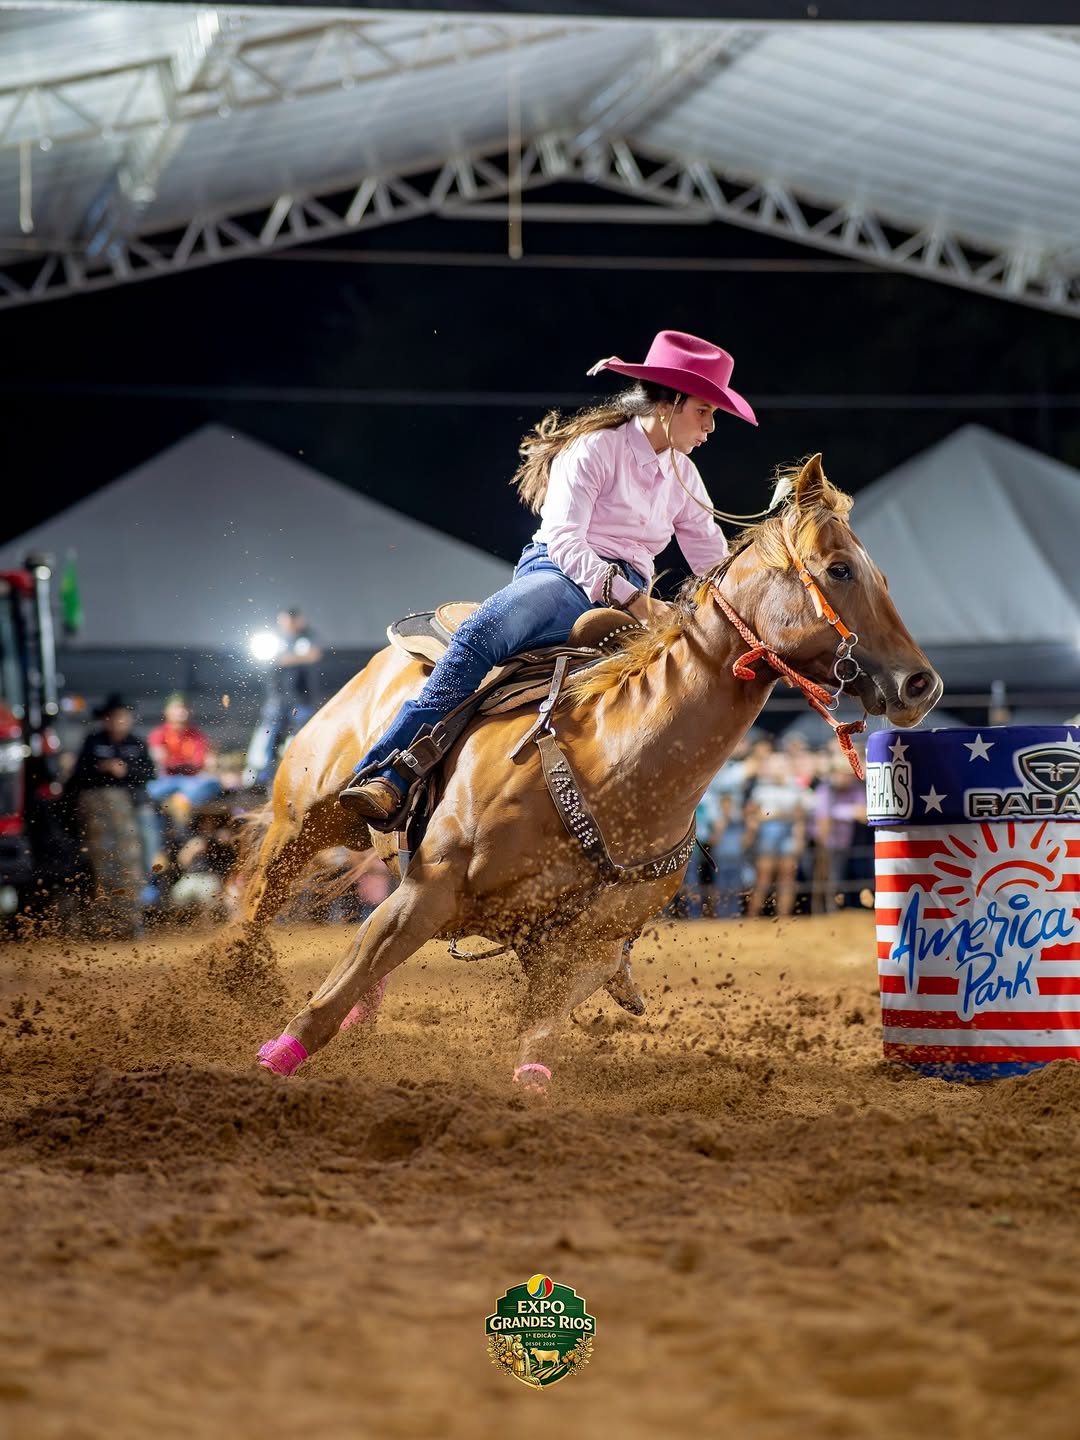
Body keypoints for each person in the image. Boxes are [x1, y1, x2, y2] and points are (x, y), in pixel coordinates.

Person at [338, 329, 757, 824]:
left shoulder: (685, 475)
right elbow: (565, 541)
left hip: (627, 596)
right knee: (481, 634)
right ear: (667, 404)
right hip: (561, 576)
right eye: (704, 411)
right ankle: (389, 772)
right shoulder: (595, 449)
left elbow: (711, 558)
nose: (711, 427)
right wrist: (635, 601)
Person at [245, 607, 323, 788]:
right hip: (277, 697)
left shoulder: (307, 637)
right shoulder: (275, 639)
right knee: (267, 733)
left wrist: (286, 658)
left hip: (302, 698)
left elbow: (312, 655)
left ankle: (302, 772)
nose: (287, 625)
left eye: (290, 620)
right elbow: (265, 658)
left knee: (301, 735)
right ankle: (258, 775)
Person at [147, 694, 220, 812]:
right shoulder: (159, 733)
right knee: (151, 789)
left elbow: (201, 761)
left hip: (190, 782)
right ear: (167, 711)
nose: (181, 712)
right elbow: (160, 759)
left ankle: (181, 804)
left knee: (211, 784)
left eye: (184, 708)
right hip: (167, 780)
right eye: (177, 708)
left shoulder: (196, 734)